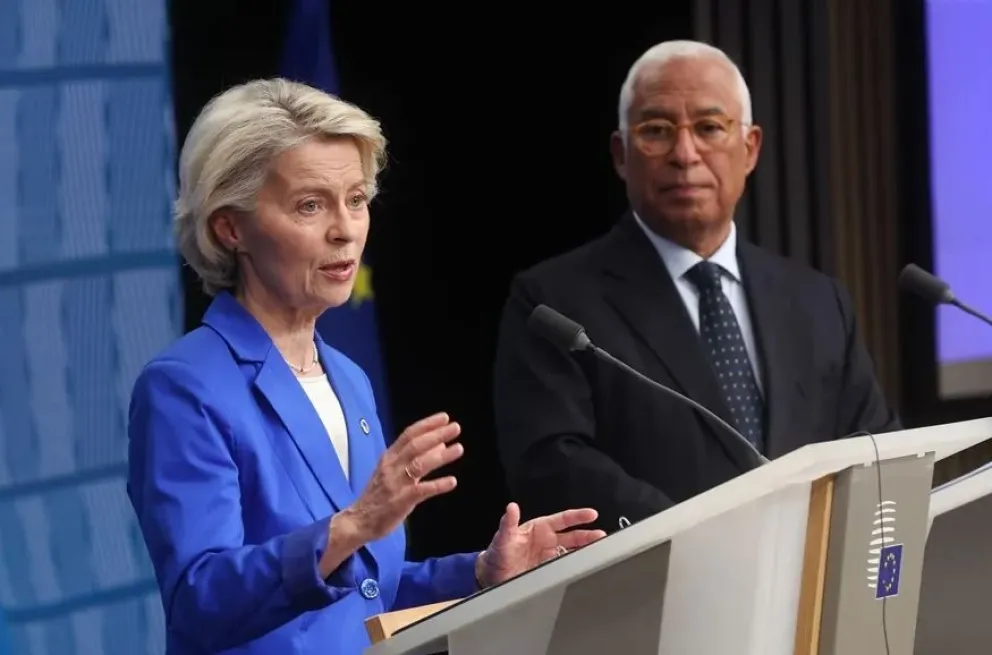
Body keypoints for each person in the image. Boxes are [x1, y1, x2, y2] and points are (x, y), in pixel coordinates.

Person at [126, 78, 606, 655]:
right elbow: (199, 601)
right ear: (230, 227)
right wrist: (350, 526)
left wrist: (478, 572)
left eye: (356, 199)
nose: (345, 229)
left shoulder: (347, 378)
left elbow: (363, 591)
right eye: (310, 205)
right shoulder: (185, 387)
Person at [492, 40, 901, 534]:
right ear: (621, 155)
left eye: (709, 128)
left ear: (750, 149)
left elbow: (876, 448)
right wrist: (700, 534)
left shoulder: (817, 302)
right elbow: (552, 463)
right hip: (652, 590)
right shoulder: (554, 304)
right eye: (657, 131)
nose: (685, 154)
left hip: (811, 588)